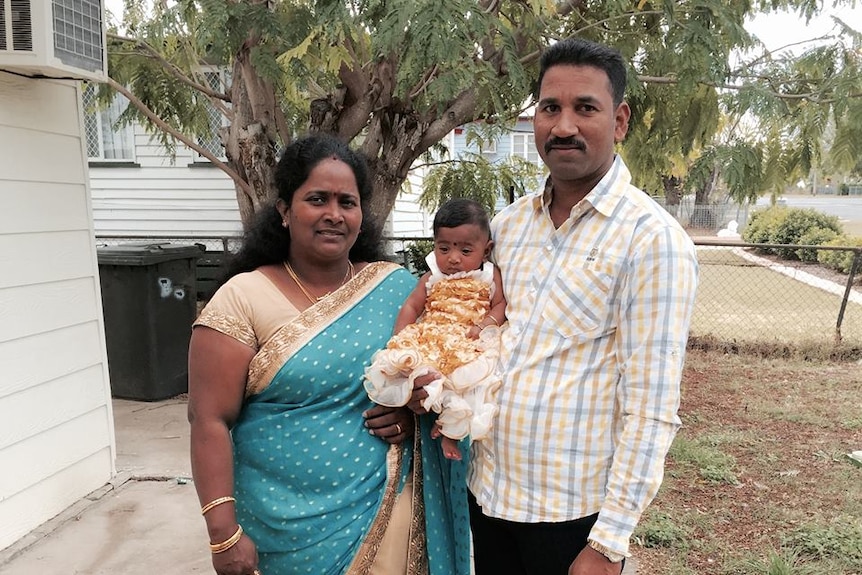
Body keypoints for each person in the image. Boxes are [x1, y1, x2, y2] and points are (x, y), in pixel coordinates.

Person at [409, 37, 699, 575]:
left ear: (620, 121)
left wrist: (608, 543)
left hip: (572, 515)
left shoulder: (651, 239)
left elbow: (652, 407)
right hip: (487, 493)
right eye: (550, 108)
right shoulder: (511, 226)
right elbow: (486, 334)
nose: (563, 126)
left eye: (585, 108)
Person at [188, 133, 471, 575]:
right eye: (317, 199)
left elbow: (444, 378)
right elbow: (209, 420)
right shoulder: (242, 298)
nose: (334, 215)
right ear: (284, 210)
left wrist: (410, 414)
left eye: (347, 202)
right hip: (281, 527)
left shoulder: (397, 289)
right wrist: (222, 533)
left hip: (387, 504)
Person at [364, 198, 507, 461]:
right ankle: (421, 412)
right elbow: (411, 306)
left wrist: (486, 324)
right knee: (417, 375)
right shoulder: (432, 277)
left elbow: (500, 305)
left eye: (465, 251)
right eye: (444, 249)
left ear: (486, 250)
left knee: (472, 384)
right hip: (434, 338)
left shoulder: (489, 276)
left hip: (469, 341)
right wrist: (400, 339)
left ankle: (452, 430)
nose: (453, 259)